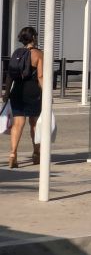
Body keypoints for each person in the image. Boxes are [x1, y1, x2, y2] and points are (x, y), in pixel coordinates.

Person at [2, 27, 44, 168]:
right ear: (33, 38)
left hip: (17, 92)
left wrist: (6, 94)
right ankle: (36, 153)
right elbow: (40, 76)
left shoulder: (16, 53)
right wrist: (46, 94)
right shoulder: (38, 54)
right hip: (33, 92)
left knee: (17, 124)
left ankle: (13, 154)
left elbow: (10, 75)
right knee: (34, 124)